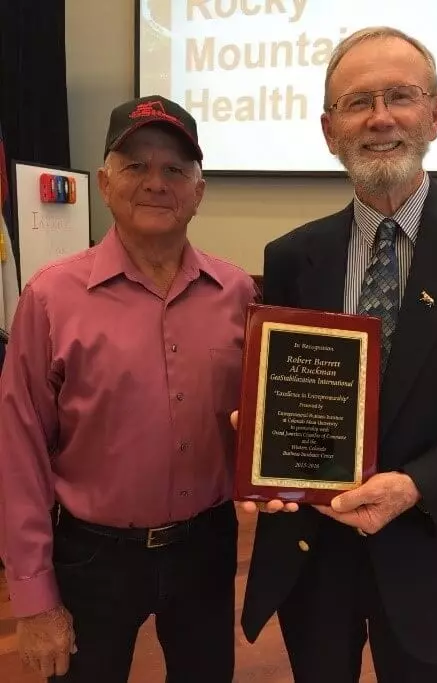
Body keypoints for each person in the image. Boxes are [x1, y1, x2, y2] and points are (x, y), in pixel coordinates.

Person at [236, 26, 437, 683]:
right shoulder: (291, 256)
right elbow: (291, 400)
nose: (380, 117)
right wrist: (261, 446)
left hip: (435, 556)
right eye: (357, 102)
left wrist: (415, 486)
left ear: (434, 115)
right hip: (315, 561)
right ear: (328, 130)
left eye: (400, 96)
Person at [0, 94, 258, 683]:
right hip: (93, 557)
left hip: (206, 548)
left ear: (199, 190)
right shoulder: (50, 298)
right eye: (136, 165)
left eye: (174, 169)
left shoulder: (238, 294)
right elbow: (18, 452)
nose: (155, 183)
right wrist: (34, 597)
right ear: (104, 183)